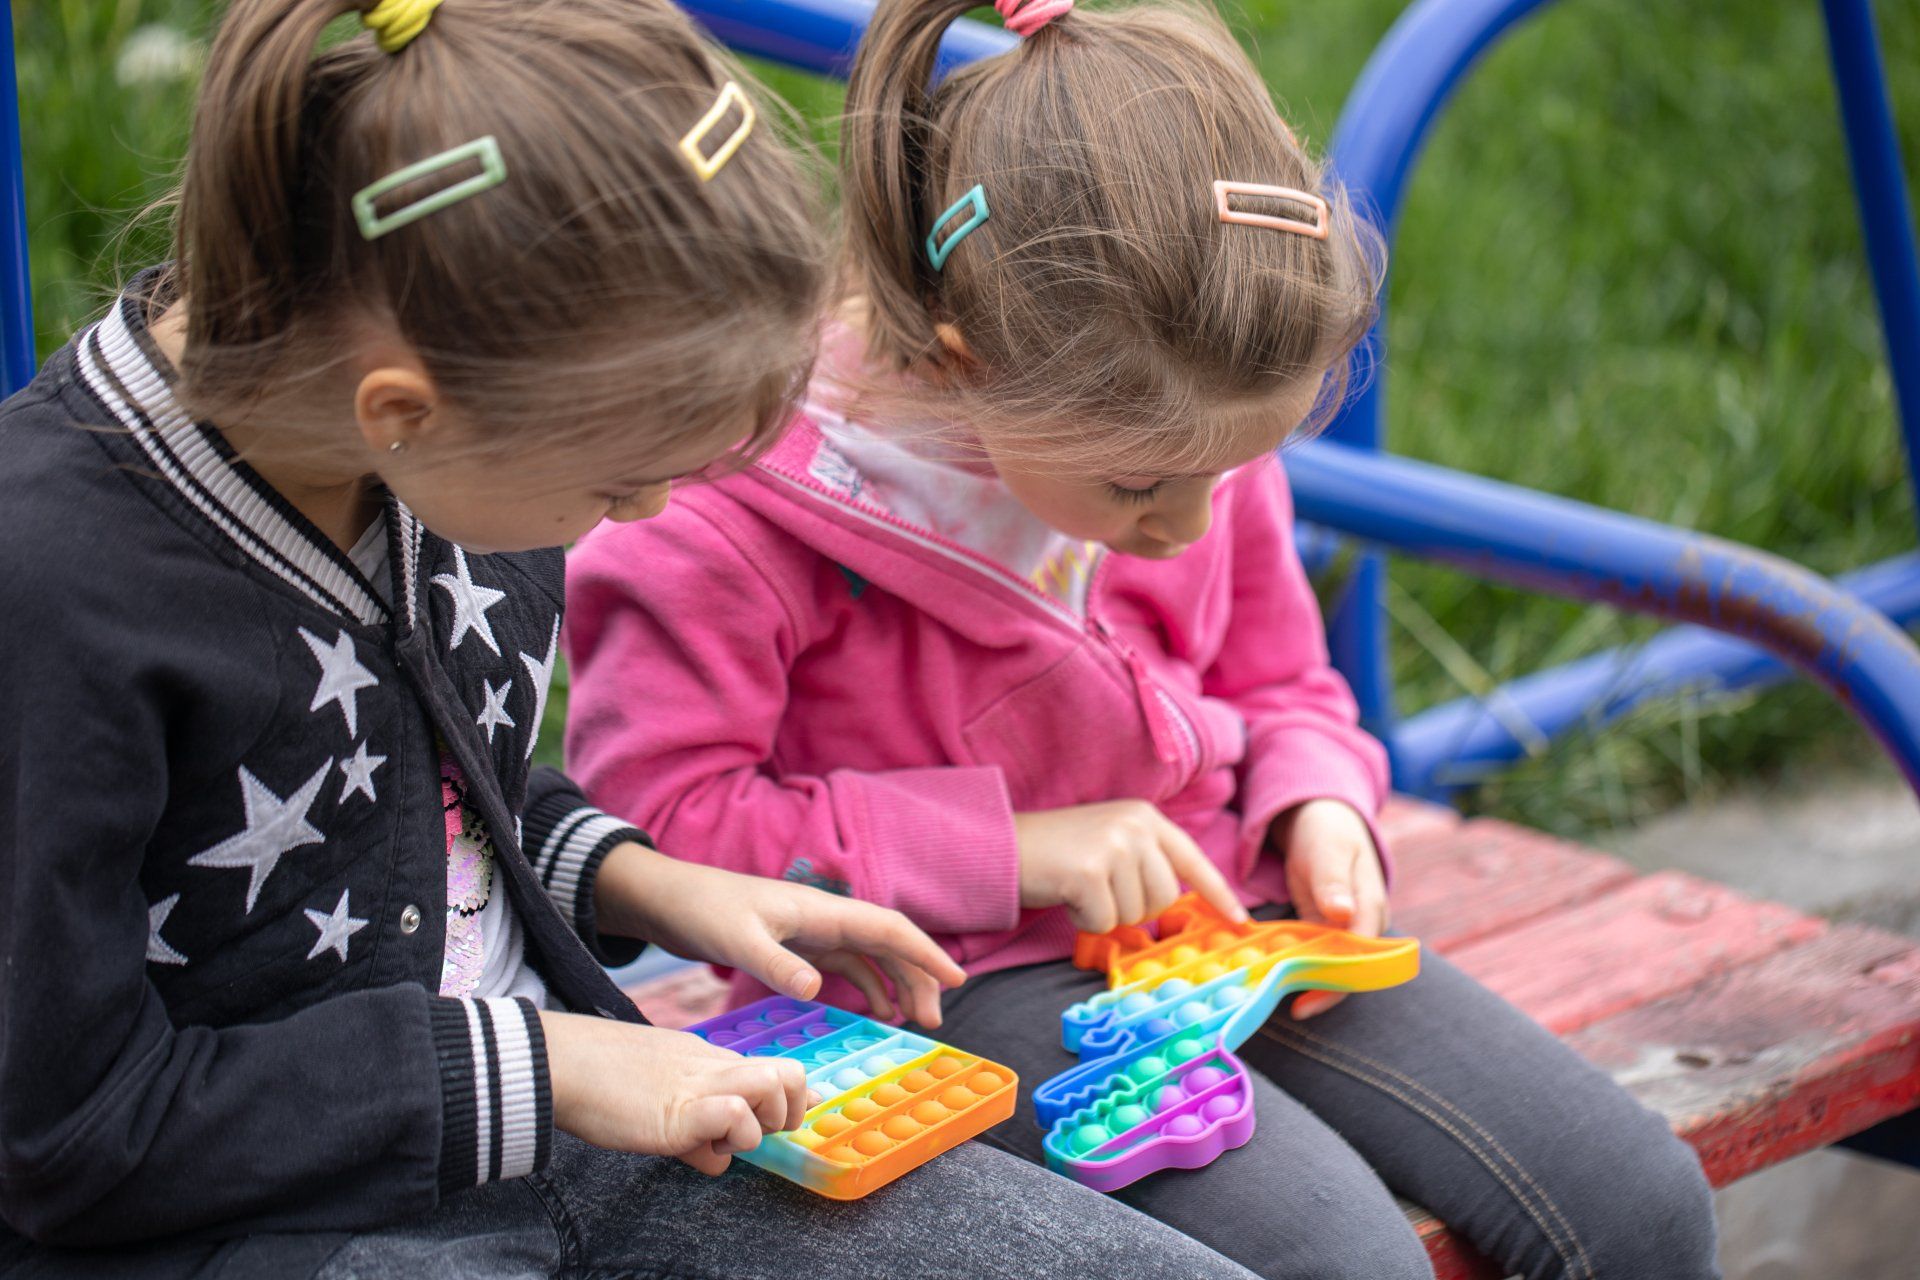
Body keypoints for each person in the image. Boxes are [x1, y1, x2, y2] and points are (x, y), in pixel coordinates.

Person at [0, 3, 1262, 1277]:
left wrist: (651, 884)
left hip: (583, 1113)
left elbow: (408, 805)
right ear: (403, 409)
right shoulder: (54, 594)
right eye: (619, 485)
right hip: (264, 1220)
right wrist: (548, 1060)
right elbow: (65, 1129)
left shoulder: (442, 449)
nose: (651, 514)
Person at [563, 1, 1723, 1276]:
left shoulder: (1186, 415)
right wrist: (1011, 850)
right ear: (962, 363)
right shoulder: (722, 515)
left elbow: (1281, 676)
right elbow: (666, 825)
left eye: (1237, 469)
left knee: (1643, 1201)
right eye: (1137, 489)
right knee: (1343, 1263)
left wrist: (1316, 801)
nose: (1190, 523)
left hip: (1233, 915)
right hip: (947, 981)